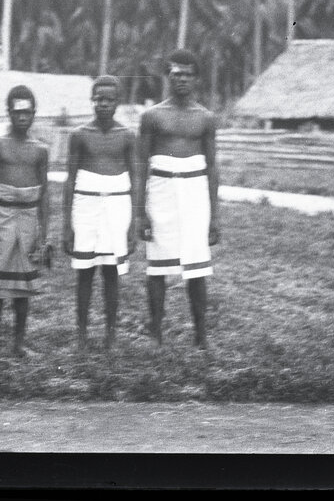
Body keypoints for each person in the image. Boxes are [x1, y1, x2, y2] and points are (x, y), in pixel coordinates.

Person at [136, 49, 220, 350]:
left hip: (195, 193)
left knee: (197, 269)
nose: (181, 79)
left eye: (187, 74)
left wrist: (215, 216)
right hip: (161, 191)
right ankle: (155, 333)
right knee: (157, 267)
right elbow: (140, 165)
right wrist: (140, 213)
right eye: (175, 73)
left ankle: (200, 335)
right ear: (167, 76)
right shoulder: (152, 116)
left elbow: (211, 166)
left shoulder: (206, 118)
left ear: (196, 79)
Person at [0, 85, 50, 361]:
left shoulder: (40, 150)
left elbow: (45, 194)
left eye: (27, 112)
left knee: (23, 287)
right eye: (17, 112)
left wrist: (44, 235)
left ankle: (18, 344)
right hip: (1, 218)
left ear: (34, 114)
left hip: (28, 219)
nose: (22, 117)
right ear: (9, 113)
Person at [63, 75, 137, 351]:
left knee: (111, 272)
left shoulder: (127, 136)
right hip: (86, 206)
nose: (104, 104)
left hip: (117, 206)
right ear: (92, 100)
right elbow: (70, 180)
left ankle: (110, 334)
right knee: (84, 272)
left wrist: (133, 223)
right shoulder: (80, 135)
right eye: (99, 99)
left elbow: (136, 178)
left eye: (109, 99)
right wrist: (67, 226)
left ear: (118, 102)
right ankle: (81, 334)